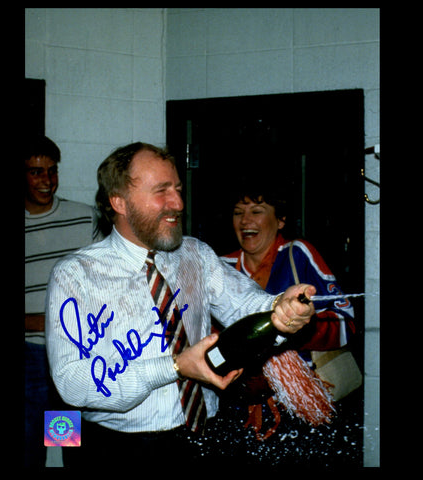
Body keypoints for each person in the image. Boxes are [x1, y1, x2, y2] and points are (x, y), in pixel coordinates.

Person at [45, 142, 317, 469]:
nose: (178, 203)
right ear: (120, 202)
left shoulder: (195, 254)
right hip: (117, 447)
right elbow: (72, 385)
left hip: (202, 435)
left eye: (177, 189)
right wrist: (173, 367)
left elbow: (245, 303)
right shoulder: (75, 274)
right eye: (162, 191)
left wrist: (281, 308)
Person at [211, 176, 358, 467]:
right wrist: (245, 378)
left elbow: (346, 323)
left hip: (302, 409)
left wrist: (292, 332)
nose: (245, 220)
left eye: (257, 210)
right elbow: (211, 342)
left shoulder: (298, 255)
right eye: (238, 212)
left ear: (280, 220)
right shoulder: (220, 267)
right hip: (240, 410)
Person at [25, 135, 102, 467]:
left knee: (67, 445)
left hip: (71, 358)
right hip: (30, 359)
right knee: (29, 448)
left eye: (52, 171)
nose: (47, 181)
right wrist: (43, 322)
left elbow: (107, 284)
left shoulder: (83, 218)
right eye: (36, 172)